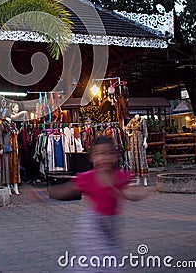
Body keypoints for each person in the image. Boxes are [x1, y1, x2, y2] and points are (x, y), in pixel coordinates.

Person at [50, 136, 148, 272]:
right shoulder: (88, 177)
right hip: (93, 224)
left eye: (109, 153)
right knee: (103, 257)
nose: (104, 158)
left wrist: (132, 194)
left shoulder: (120, 176)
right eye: (100, 154)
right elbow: (67, 189)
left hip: (112, 224)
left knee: (109, 252)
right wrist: (45, 195)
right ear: (92, 158)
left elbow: (133, 193)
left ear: (116, 156)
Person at [125, 114, 149, 186]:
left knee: (142, 159)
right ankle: (138, 178)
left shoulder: (142, 121)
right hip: (133, 141)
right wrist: (129, 134)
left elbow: (145, 132)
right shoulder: (132, 121)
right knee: (135, 159)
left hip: (140, 141)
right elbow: (126, 128)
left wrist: (145, 141)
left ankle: (145, 179)